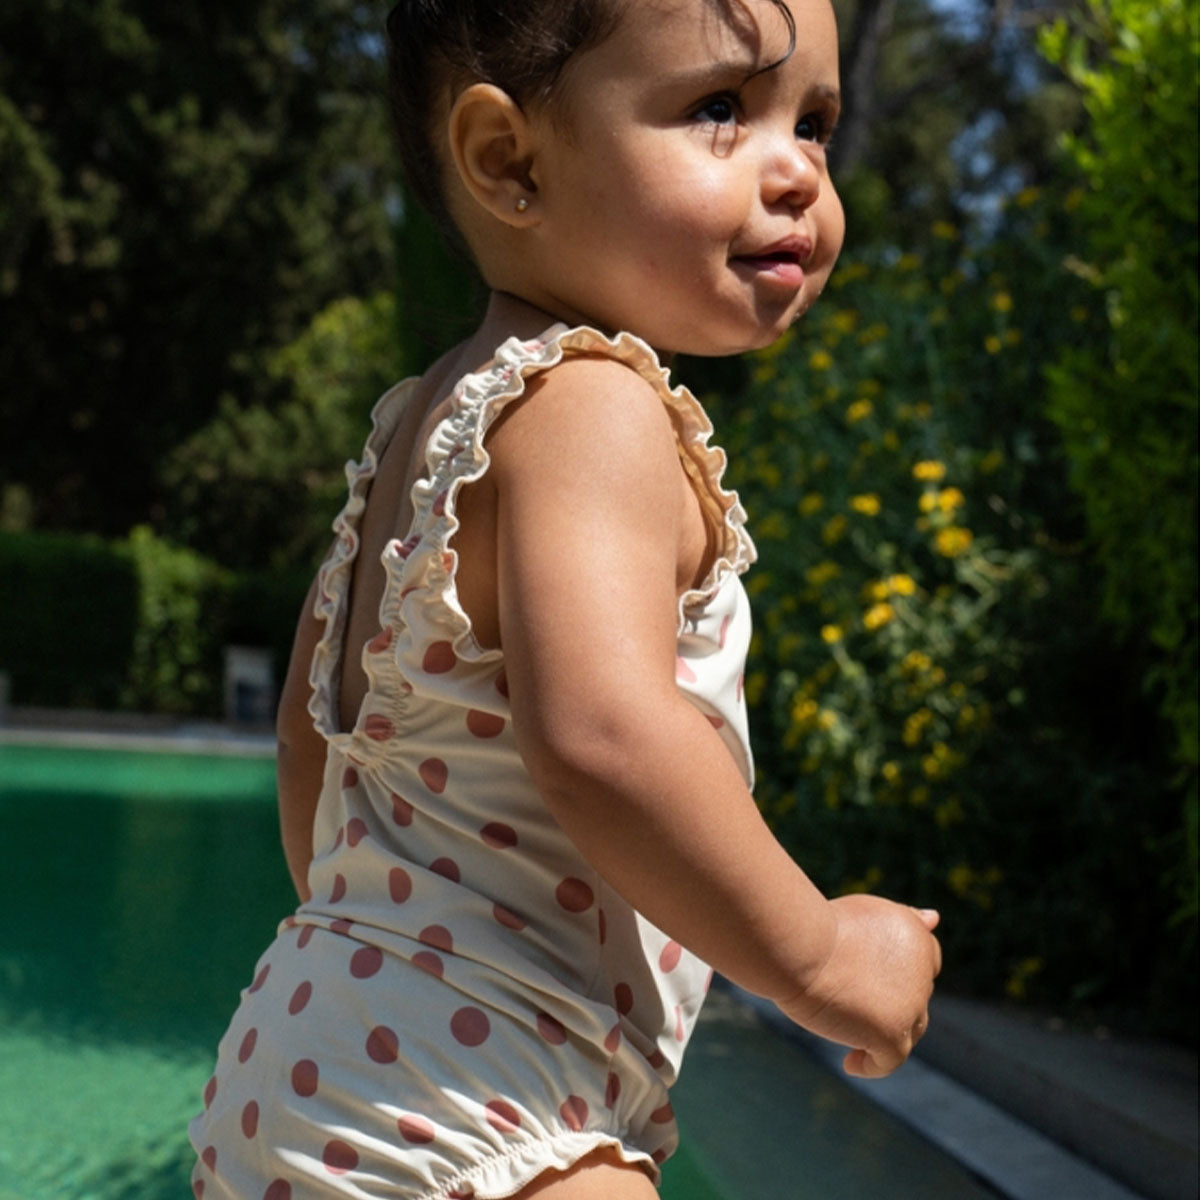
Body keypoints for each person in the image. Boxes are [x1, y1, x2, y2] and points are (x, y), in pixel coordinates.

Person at [189, 1, 942, 1197]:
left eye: (817, 121)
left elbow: (311, 745)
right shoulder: (595, 406)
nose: (796, 167)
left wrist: (373, 966)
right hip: (476, 1095)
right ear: (510, 162)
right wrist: (823, 953)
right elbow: (604, 736)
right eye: (718, 110)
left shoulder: (418, 430)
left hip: (309, 1046)